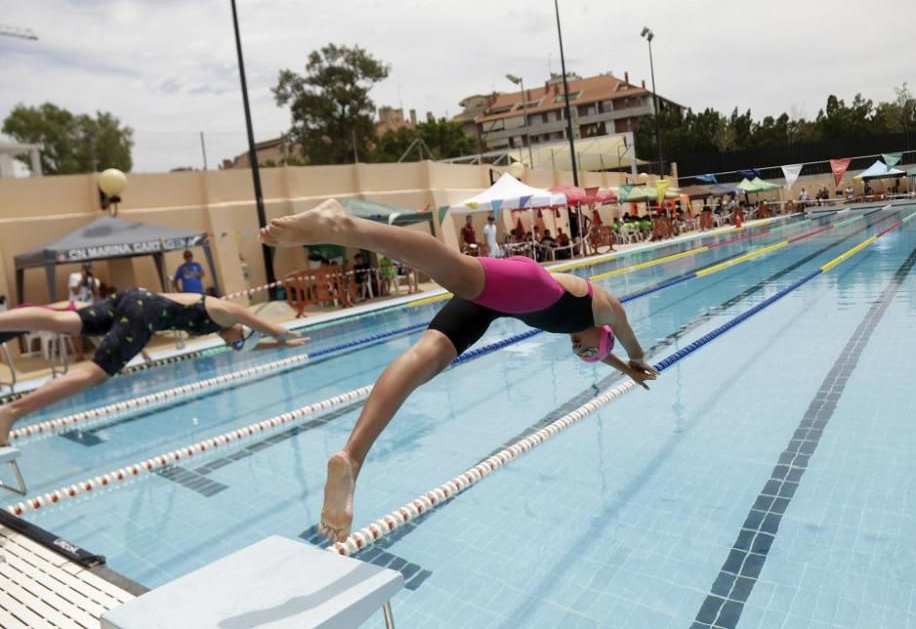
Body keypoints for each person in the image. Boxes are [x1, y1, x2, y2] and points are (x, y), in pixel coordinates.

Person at [259, 198, 658, 542]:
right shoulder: (600, 307)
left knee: (426, 359)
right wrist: (637, 359)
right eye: (585, 348)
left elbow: (603, 351)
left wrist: (622, 369)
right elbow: (623, 332)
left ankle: (351, 458)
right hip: (527, 286)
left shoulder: (583, 332)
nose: (578, 349)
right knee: (449, 266)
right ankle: (342, 224)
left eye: (580, 353)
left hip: (499, 303)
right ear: (600, 336)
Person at [0, 289, 309, 445]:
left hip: (132, 297)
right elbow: (268, 326)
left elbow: (247, 344)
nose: (234, 342)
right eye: (238, 338)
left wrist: (279, 345)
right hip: (144, 312)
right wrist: (288, 335)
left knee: (64, 322)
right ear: (241, 328)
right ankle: (11, 412)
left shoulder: (222, 326)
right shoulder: (229, 311)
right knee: (96, 374)